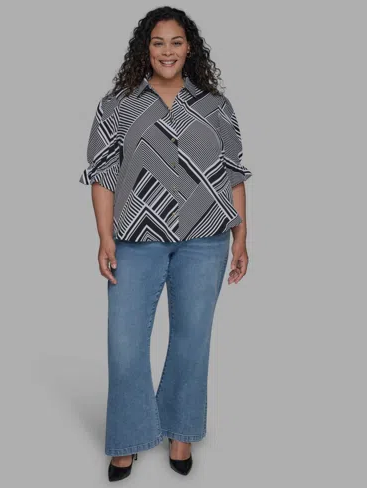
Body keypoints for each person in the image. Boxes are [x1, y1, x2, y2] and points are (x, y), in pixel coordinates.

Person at [79, 6, 252, 482]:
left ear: (189, 47)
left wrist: (242, 235)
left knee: (193, 339)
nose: (168, 51)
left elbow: (233, 171)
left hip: (206, 238)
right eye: (158, 42)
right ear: (146, 48)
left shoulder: (215, 105)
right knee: (125, 344)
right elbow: (102, 174)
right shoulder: (117, 105)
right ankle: (129, 439)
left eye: (176, 42)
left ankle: (180, 431)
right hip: (136, 239)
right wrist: (104, 237)